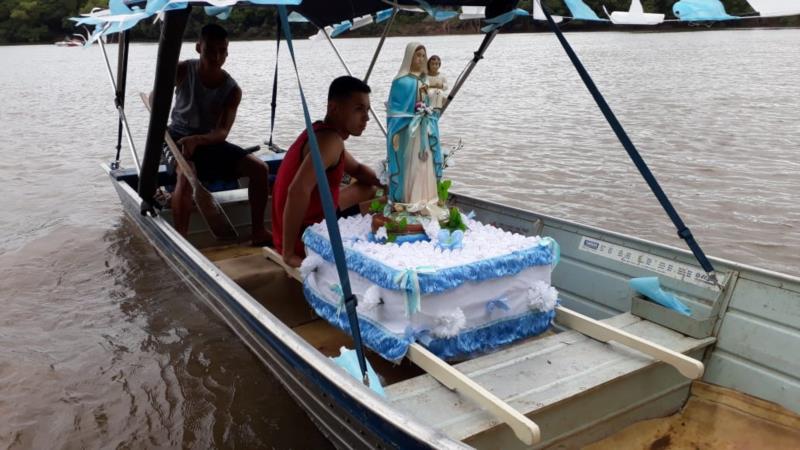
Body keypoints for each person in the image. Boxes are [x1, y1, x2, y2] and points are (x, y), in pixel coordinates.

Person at [167, 23, 270, 244]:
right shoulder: (183, 70)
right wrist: (178, 141)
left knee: (260, 169)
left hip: (207, 141)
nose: (216, 57)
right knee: (185, 176)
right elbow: (158, 99)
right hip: (175, 138)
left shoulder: (232, 89)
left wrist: (198, 140)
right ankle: (181, 242)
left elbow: (222, 132)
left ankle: (258, 231)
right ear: (198, 48)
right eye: (210, 50)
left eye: (222, 51)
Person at [272, 76, 381, 268]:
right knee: (382, 205)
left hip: (304, 220)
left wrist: (387, 183)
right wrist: (288, 254)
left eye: (367, 110)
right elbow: (297, 191)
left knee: (371, 188)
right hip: (304, 236)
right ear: (334, 108)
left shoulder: (323, 132)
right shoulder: (330, 141)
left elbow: (357, 169)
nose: (366, 118)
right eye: (358, 109)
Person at [386, 42, 446, 220]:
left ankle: (426, 198)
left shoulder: (424, 80)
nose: (421, 59)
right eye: (417, 55)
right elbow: (394, 112)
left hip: (424, 131)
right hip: (408, 133)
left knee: (425, 163)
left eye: (423, 55)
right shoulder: (400, 82)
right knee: (409, 163)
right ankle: (408, 199)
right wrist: (413, 116)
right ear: (409, 57)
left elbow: (428, 104)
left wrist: (428, 112)